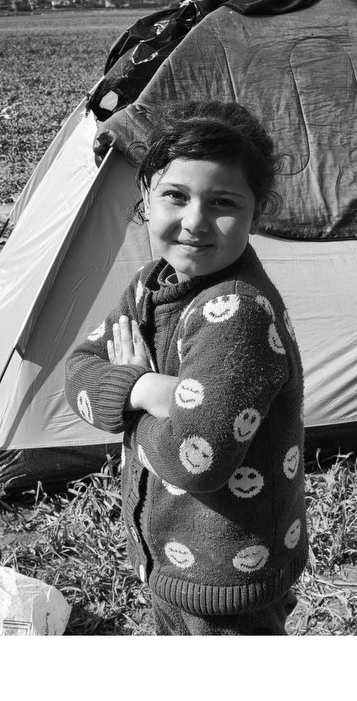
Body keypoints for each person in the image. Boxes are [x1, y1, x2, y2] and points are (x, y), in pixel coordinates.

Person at [64, 100, 307, 635]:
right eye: (175, 195)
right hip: (173, 559)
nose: (195, 221)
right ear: (145, 198)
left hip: (229, 577)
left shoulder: (237, 314)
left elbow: (195, 460)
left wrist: (133, 404)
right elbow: (78, 369)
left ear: (254, 214)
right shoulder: (152, 284)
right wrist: (145, 388)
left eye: (223, 202)